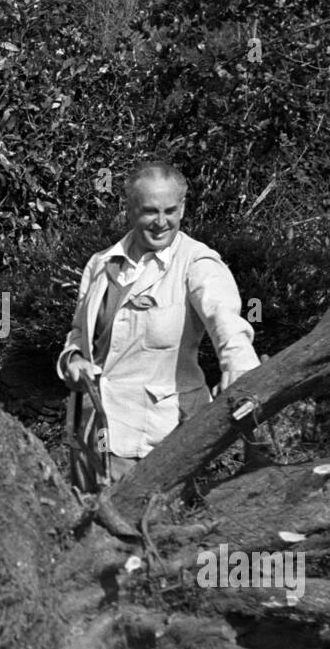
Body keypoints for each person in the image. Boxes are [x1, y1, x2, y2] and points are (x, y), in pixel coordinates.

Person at [58, 162, 261, 491]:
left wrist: (240, 366)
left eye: (170, 210)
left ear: (182, 207)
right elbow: (79, 334)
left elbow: (225, 319)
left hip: (158, 442)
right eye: (150, 211)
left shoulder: (197, 263)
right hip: (92, 437)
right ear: (130, 209)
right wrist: (73, 361)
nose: (161, 222)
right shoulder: (100, 264)